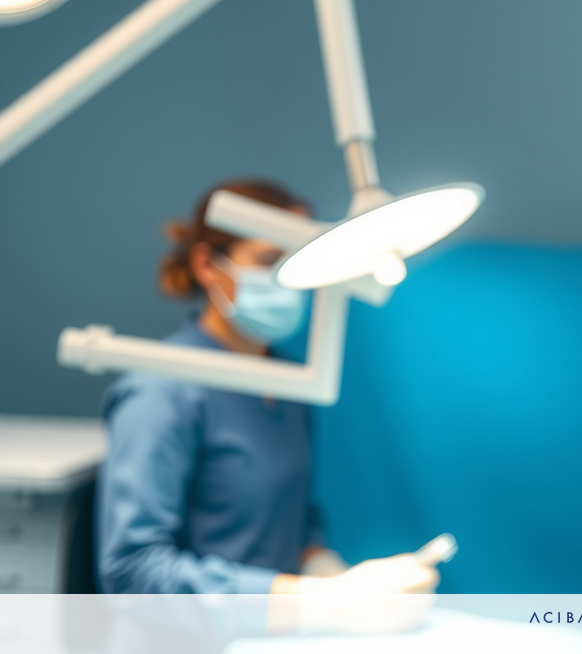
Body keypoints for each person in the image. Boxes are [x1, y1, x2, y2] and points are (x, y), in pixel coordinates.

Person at [96, 178, 437, 596]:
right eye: (269, 259)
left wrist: (325, 571)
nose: (285, 278)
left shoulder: (293, 381)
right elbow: (133, 572)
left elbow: (297, 520)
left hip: (277, 625)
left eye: (296, 261)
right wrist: (310, 600)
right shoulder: (160, 392)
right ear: (207, 265)